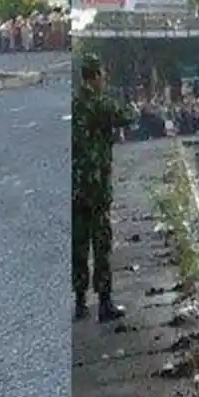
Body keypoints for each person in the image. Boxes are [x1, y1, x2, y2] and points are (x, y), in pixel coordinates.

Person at [74, 54, 131, 321]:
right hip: (96, 187)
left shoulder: (74, 102)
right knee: (101, 244)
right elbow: (126, 116)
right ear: (95, 76)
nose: (104, 80)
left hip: (75, 187)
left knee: (79, 245)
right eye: (102, 76)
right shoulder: (98, 103)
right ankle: (105, 302)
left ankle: (79, 301)